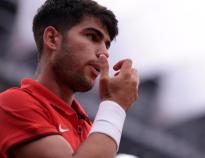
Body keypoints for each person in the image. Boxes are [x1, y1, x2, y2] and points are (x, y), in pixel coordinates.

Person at [0, 0, 139, 158]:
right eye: (92, 37)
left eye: (107, 45)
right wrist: (115, 105)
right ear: (52, 38)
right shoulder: (11, 104)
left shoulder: (89, 128)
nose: (104, 53)